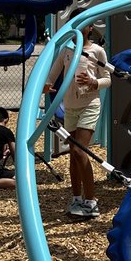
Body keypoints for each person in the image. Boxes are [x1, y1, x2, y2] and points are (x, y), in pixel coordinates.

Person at [47, 33, 113, 219]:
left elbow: (107, 79)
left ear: (90, 27)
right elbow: (52, 75)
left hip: (89, 104)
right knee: (73, 155)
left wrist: (94, 82)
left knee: (79, 150)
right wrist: (47, 85)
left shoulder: (96, 51)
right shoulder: (67, 51)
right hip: (70, 107)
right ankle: (77, 199)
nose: (80, 29)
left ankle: (91, 202)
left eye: (84, 24)